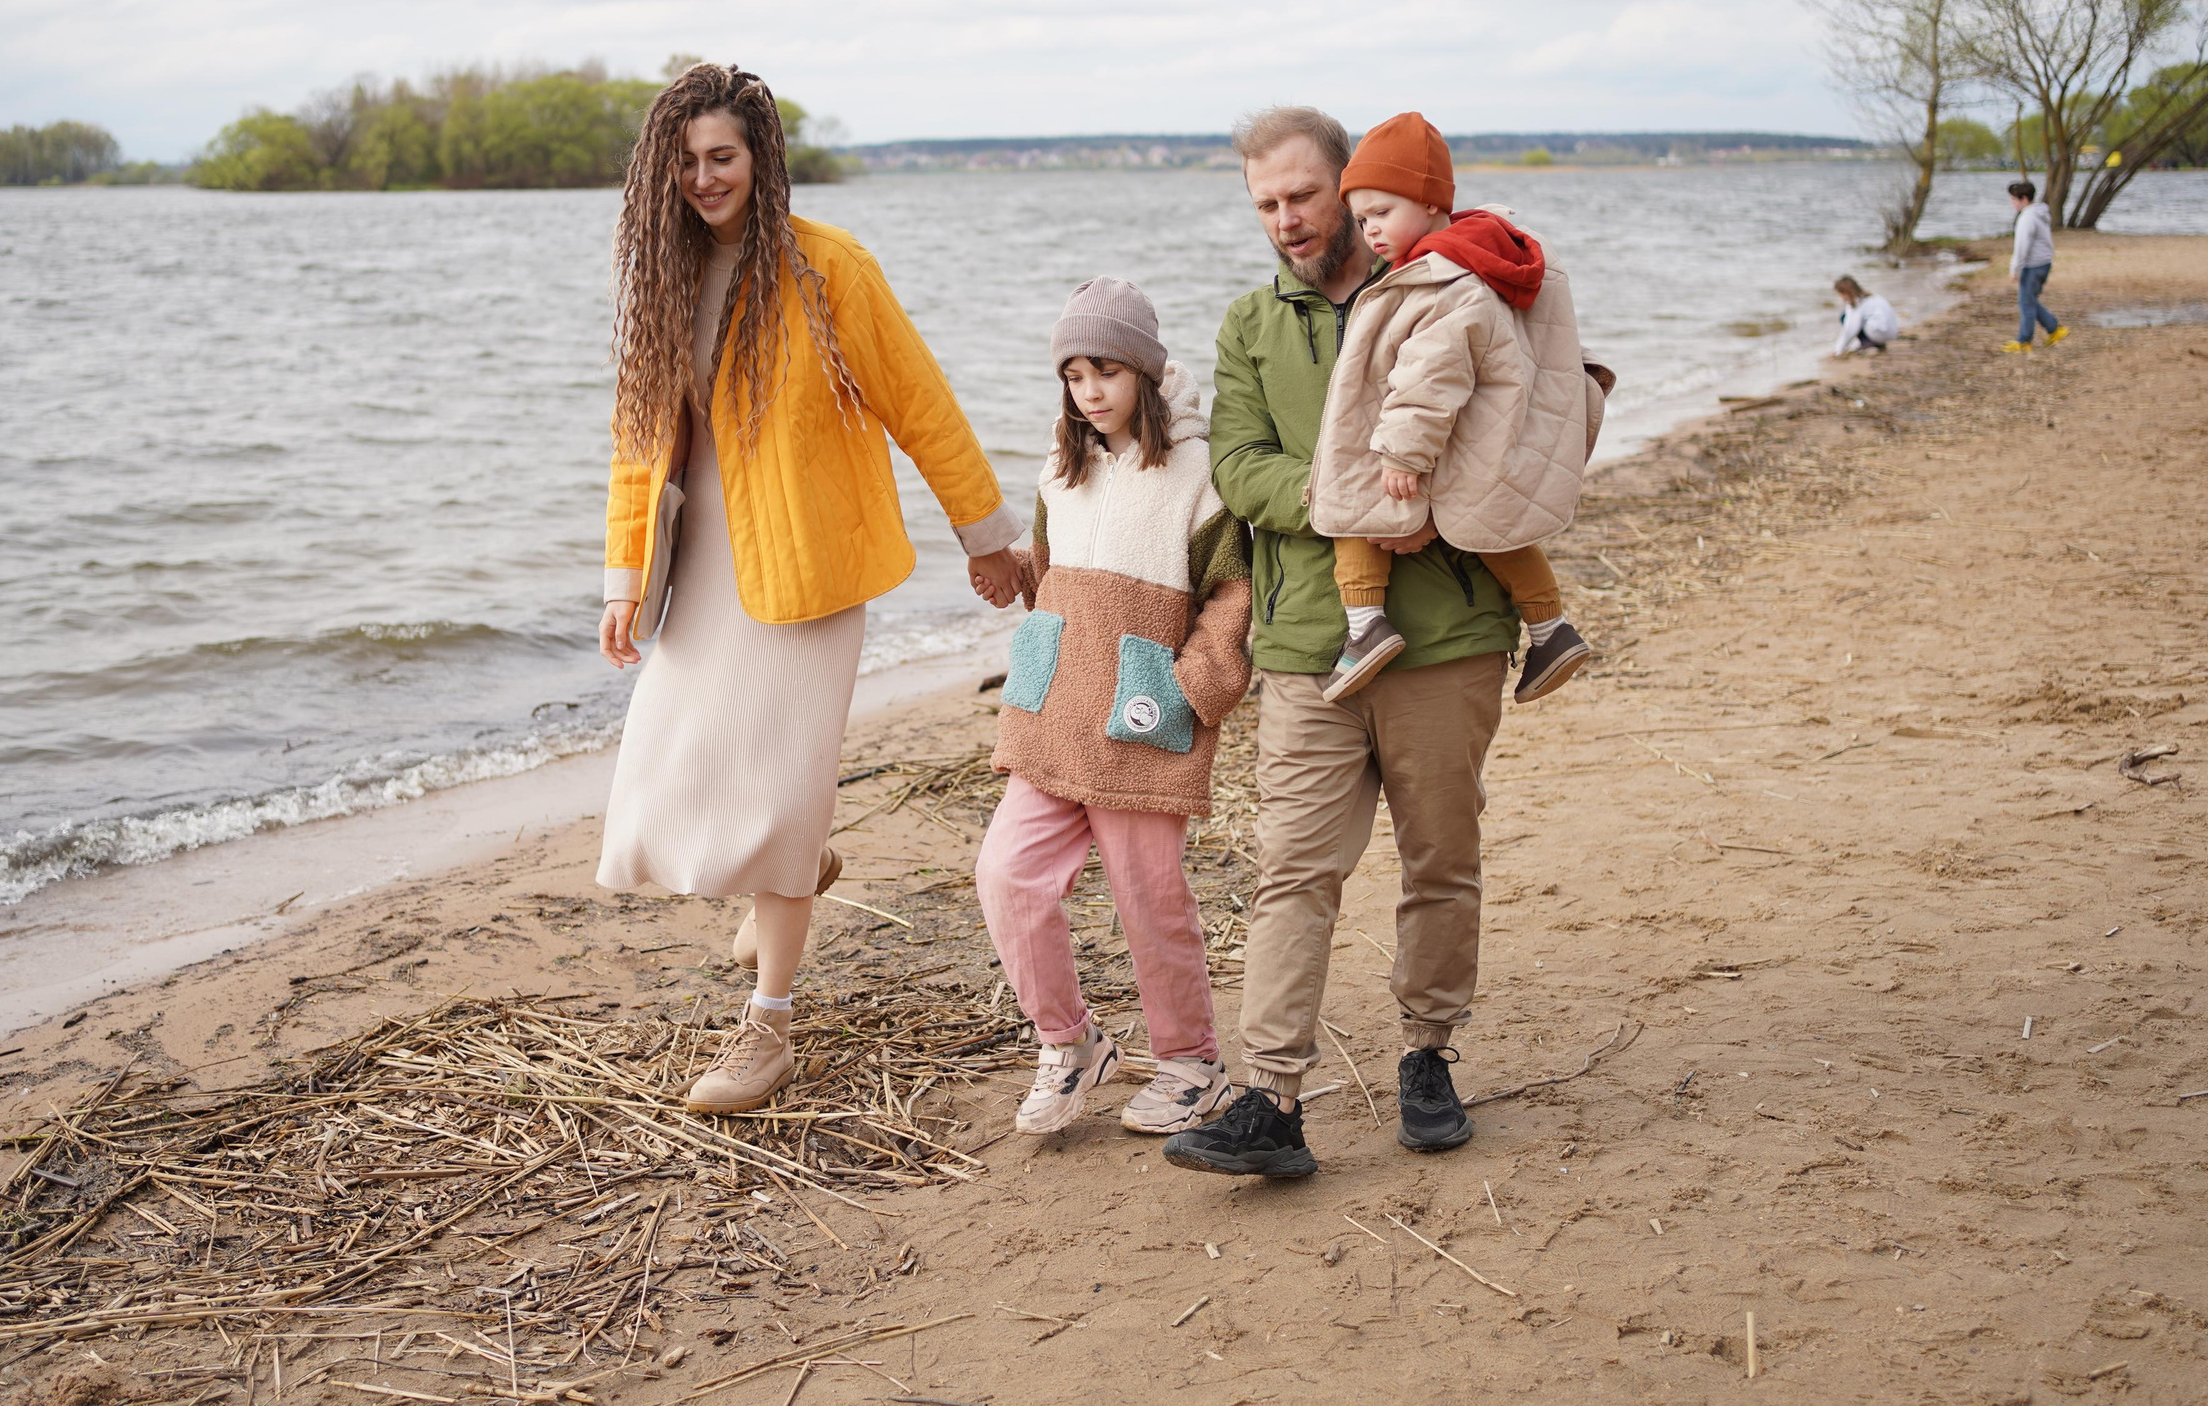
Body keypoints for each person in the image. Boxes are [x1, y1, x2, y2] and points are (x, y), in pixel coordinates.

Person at [596, 63, 1021, 1115]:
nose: (704, 178)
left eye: (723, 158)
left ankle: (768, 1029)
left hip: (814, 561)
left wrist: (990, 538)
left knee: (781, 791)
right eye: (686, 161)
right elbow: (637, 444)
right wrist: (619, 577)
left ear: (760, 159)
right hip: (697, 565)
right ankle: (798, 857)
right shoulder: (665, 275)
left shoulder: (828, 269)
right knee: (672, 768)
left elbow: (921, 404)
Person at [1163, 106, 1523, 1182]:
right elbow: (1238, 464)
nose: (1285, 221)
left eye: (1303, 198)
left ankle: (1427, 1059)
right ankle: (1270, 1097)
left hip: (1446, 631)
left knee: (1440, 860)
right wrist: (1350, 503)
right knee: (1291, 872)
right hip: (1304, 644)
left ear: (1351, 188)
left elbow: (1514, 417)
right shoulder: (1248, 327)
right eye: (1264, 204)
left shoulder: (1444, 290)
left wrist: (1435, 501)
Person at [975, 279, 1252, 1137]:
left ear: (1144, 369)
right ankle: (1070, 1044)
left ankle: (1190, 1063)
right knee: (1007, 876)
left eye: (1104, 370)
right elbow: (1057, 577)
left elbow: (1233, 595)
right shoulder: (1065, 469)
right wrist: (1011, 570)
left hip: (1143, 719)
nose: (1089, 391)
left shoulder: (1198, 475)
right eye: (1073, 375)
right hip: (1053, 716)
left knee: (1150, 900)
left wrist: (1191, 689)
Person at [1305, 112, 1609, 707]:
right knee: (1498, 528)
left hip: (1435, 440)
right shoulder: (1491, 257)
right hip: (1494, 438)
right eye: (1361, 218)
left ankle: (1365, 627)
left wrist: (1401, 454)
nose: (1369, 231)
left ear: (1430, 203)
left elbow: (1429, 378)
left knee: (1352, 500)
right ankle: (1550, 629)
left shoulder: (1440, 280)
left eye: (1382, 213)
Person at [2005, 180, 2069, 353]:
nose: (2012, 204)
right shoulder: (2039, 213)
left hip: (2033, 266)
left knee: (2026, 303)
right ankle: (2055, 329)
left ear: (2024, 199)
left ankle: (2024, 341)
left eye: (2014, 200)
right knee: (2029, 301)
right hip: (2043, 263)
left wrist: (2015, 268)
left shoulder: (2027, 218)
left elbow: (2022, 246)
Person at [1833, 275, 1898, 355]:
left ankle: (1868, 345)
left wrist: (1839, 350)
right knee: (1864, 319)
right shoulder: (1874, 297)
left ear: (1845, 293)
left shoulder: (1857, 304)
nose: (1840, 298)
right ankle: (1877, 344)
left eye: (1840, 294)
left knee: (1844, 317)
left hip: (1878, 333)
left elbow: (1850, 330)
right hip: (1891, 333)